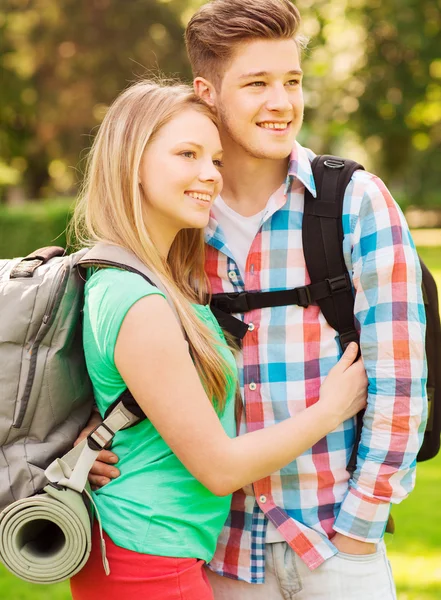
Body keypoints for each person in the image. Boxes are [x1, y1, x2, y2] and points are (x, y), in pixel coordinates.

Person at [83, 1, 427, 598]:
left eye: (292, 81)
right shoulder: (177, 218)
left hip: (334, 542)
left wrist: (359, 529)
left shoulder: (353, 201)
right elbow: (121, 350)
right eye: (257, 83)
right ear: (207, 92)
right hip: (223, 553)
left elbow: (401, 377)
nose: (282, 102)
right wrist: (92, 438)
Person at [69, 79, 367, 600]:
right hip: (148, 561)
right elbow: (219, 468)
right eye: (187, 154)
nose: (209, 174)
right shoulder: (139, 298)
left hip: (148, 552)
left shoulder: (156, 280)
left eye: (216, 160)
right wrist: (331, 409)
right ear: (130, 163)